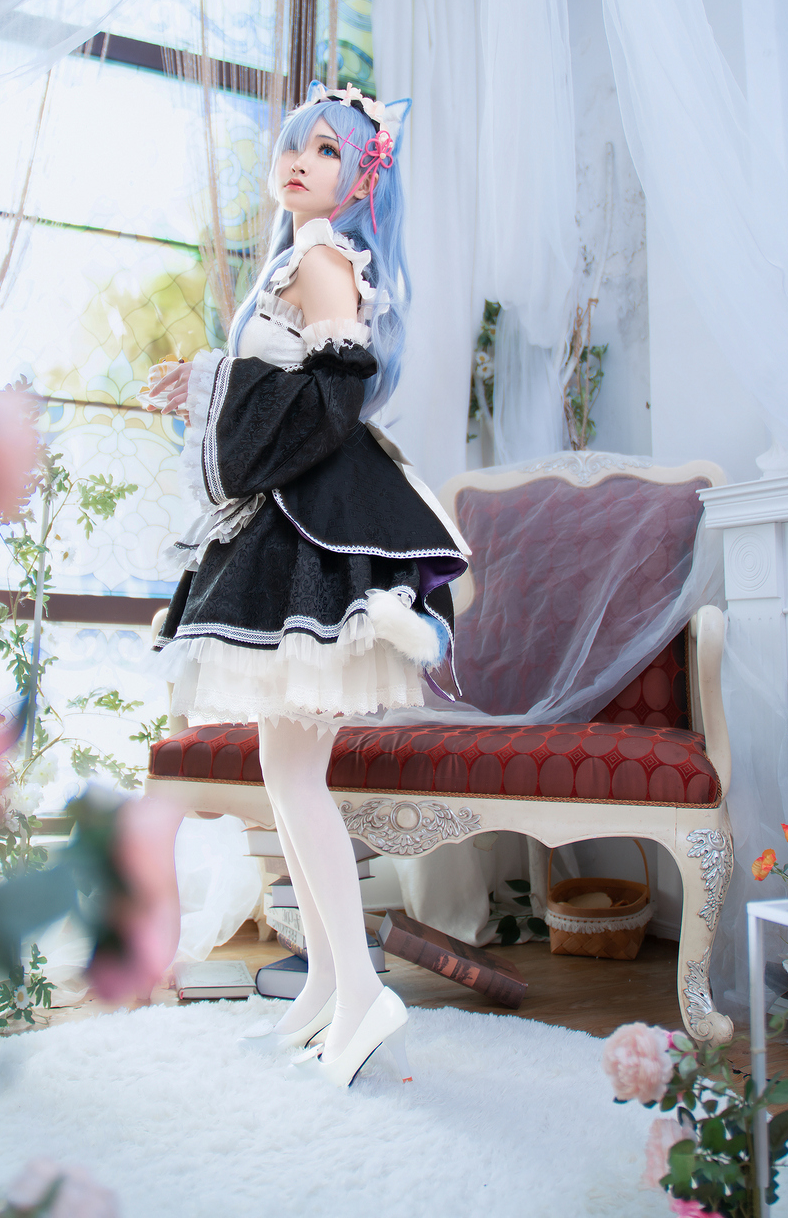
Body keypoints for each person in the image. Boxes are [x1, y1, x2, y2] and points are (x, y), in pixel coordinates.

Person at [144, 81, 469, 1089]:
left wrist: (225, 383)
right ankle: (328, 982)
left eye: (327, 149)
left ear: (361, 176)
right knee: (286, 768)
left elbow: (331, 399)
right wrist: (211, 379)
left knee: (292, 774)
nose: (300, 160)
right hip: (302, 518)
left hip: (315, 528)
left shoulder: (323, 258)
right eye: (294, 144)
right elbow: (291, 387)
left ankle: (361, 989)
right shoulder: (302, 259)